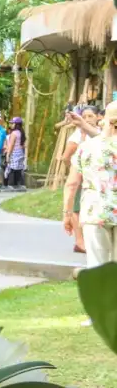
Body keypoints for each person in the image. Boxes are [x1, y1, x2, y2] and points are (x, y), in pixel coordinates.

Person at [64, 101, 117, 280]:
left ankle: (101, 306)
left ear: (104, 121)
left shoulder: (87, 147)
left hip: (95, 213)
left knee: (97, 266)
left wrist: (67, 213)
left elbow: (71, 185)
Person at [63, 106, 102, 253]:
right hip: (82, 176)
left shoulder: (103, 133)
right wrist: (76, 170)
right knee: (77, 208)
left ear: (99, 117)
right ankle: (80, 242)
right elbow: (66, 157)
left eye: (90, 116)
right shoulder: (76, 136)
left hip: (97, 179)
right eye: (84, 116)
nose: (87, 120)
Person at [3, 116, 27, 191]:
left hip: (14, 153)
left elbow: (11, 145)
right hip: (20, 154)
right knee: (18, 169)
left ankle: (10, 185)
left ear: (17, 124)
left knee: (11, 169)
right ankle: (17, 185)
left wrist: (8, 155)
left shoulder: (14, 133)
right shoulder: (21, 133)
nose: (11, 125)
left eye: (12, 123)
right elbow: (23, 145)